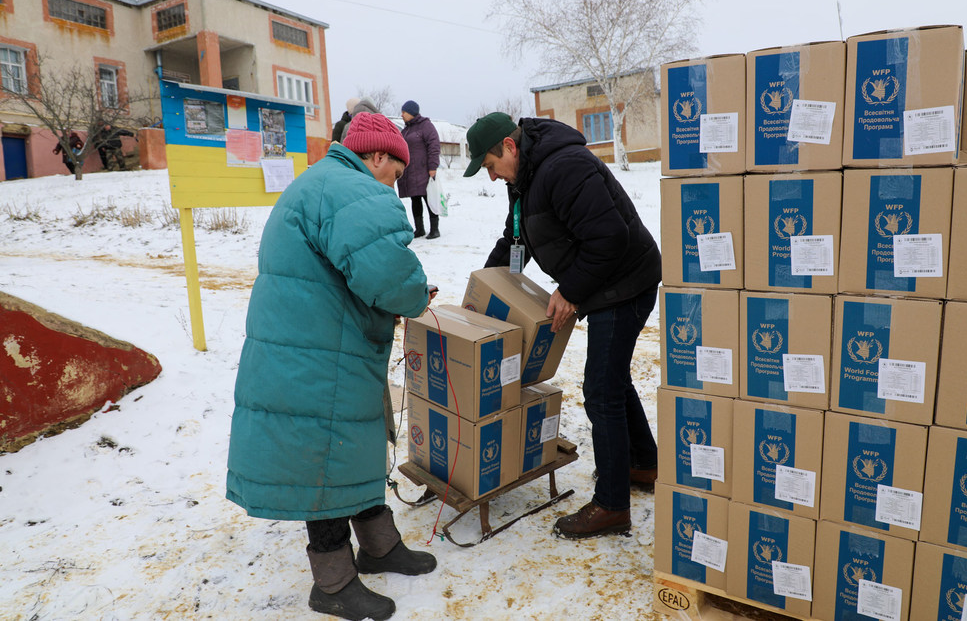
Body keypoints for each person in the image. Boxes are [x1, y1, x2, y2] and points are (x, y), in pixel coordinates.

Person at [226, 112, 438, 621]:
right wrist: (412, 296)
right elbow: (385, 270)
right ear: (379, 157)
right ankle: (334, 583)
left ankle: (379, 546)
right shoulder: (351, 188)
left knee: (350, 447)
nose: (396, 182)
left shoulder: (324, 180)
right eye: (395, 171)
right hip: (316, 352)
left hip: (318, 341)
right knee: (324, 459)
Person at [463, 112, 661, 539]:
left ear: (510, 147)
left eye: (491, 166)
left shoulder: (563, 167)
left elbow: (610, 236)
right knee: (612, 378)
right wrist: (480, 292)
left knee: (601, 390)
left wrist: (570, 290)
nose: (493, 178)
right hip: (607, 284)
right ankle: (643, 464)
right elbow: (515, 240)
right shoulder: (524, 181)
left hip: (626, 283)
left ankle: (612, 506)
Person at [398, 100, 441, 239]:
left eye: (404, 112)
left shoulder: (426, 126)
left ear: (411, 112)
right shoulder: (406, 130)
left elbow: (434, 146)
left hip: (424, 171)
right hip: (410, 172)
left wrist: (433, 166)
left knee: (429, 199)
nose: (402, 115)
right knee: (415, 200)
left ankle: (435, 229)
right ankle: (419, 229)